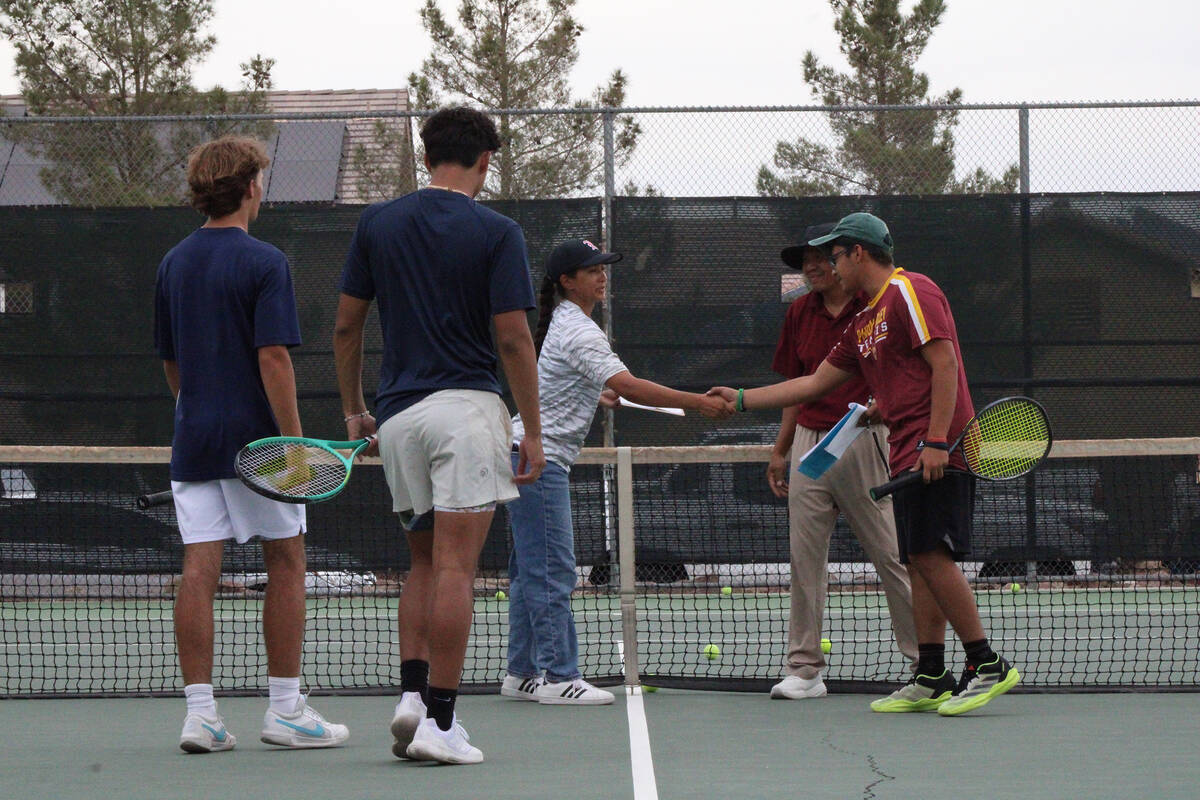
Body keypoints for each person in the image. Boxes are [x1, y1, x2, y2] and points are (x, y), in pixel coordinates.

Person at [710, 212, 1020, 716]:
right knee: (918, 559)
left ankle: (987, 664)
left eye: (835, 254)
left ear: (859, 253)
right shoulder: (865, 322)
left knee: (933, 558)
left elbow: (945, 362)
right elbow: (812, 384)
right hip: (905, 451)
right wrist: (742, 398)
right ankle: (931, 675)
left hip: (938, 450)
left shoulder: (909, 290)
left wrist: (938, 440)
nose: (830, 263)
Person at [333, 106, 545, 765]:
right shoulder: (498, 231)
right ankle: (442, 724)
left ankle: (413, 696)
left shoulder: (376, 223)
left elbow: (345, 328)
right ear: (485, 162)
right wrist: (531, 429)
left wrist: (353, 410)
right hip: (466, 415)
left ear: (428, 156)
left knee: (424, 563)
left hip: (397, 420)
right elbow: (512, 337)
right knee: (458, 566)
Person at [154, 136, 349, 753]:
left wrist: (195, 411)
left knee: (198, 568)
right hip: (260, 444)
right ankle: (286, 710)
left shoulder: (172, 264)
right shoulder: (266, 262)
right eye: (260, 180)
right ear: (248, 188)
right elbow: (273, 358)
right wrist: (292, 444)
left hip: (195, 440)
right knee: (287, 561)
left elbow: (171, 363)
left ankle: (201, 717)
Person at [501, 239, 733, 706]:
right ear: (568, 281)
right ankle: (559, 676)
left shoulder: (568, 324)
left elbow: (564, 380)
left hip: (523, 454)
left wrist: (595, 392)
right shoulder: (579, 330)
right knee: (551, 571)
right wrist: (698, 402)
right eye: (592, 269)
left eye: (603, 267)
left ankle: (521, 673)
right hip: (533, 459)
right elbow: (628, 385)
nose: (602, 275)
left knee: (530, 571)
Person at [766, 224, 918, 700]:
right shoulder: (798, 314)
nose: (810, 268)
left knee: (891, 555)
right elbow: (798, 385)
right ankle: (805, 668)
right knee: (804, 556)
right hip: (810, 445)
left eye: (818, 259)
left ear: (843, 259)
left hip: (863, 439)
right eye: (802, 263)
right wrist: (781, 448)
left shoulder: (874, 306)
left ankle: (923, 663)